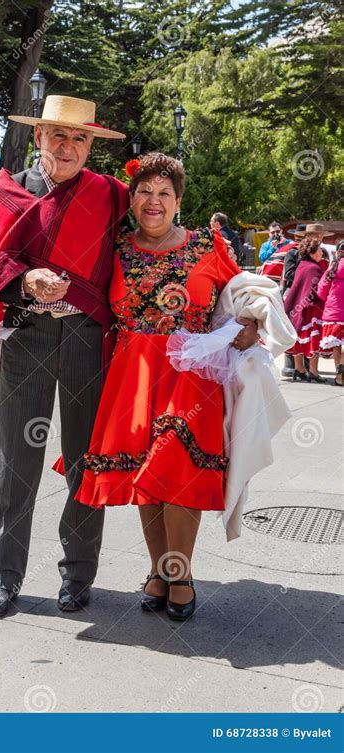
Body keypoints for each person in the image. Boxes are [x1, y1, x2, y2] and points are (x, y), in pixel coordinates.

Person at [0, 95, 129, 621]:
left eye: (79, 139)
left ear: (90, 146)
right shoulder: (8, 192)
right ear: (37, 137)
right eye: (56, 136)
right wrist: (23, 280)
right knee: (16, 460)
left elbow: (150, 247)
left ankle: (78, 574)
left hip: (89, 340)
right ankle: (2, 578)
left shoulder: (110, 196)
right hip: (25, 337)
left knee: (86, 460)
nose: (67, 147)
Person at [70, 153, 263, 622]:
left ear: (178, 201)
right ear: (132, 198)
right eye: (144, 192)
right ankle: (158, 568)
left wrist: (252, 324)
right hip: (131, 375)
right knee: (148, 479)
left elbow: (248, 295)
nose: (153, 201)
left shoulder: (207, 247)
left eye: (164, 193)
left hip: (190, 375)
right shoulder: (113, 247)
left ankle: (182, 571)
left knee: (176, 473)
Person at [284, 236, 327, 383]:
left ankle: (300, 369)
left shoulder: (302, 265)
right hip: (310, 310)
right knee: (313, 339)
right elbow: (316, 291)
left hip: (297, 308)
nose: (322, 252)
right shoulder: (314, 268)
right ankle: (313, 372)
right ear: (312, 252)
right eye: (320, 249)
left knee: (298, 338)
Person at [317, 242, 344, 386]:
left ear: (338, 252)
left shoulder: (332, 267)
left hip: (334, 313)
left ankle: (339, 374)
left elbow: (321, 291)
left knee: (336, 345)